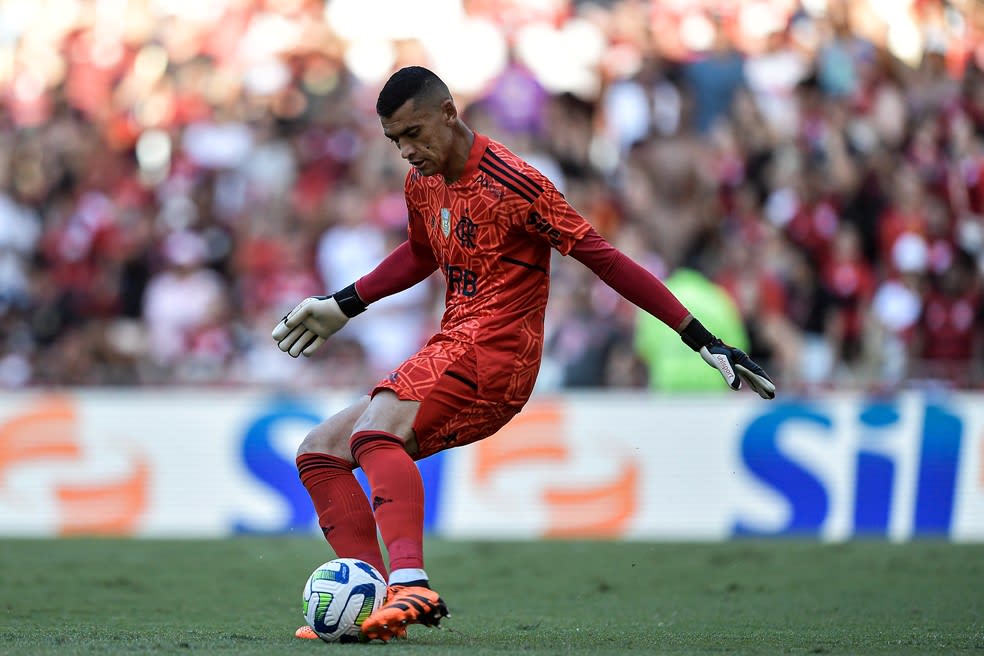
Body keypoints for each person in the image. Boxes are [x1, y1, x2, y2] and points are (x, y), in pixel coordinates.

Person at [273, 66, 776, 643]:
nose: (407, 151)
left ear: (447, 113)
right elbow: (419, 254)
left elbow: (605, 259)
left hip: (499, 356)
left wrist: (699, 336)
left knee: (374, 432)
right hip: (451, 345)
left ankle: (408, 586)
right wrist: (344, 303)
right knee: (319, 453)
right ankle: (377, 617)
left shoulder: (517, 184)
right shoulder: (423, 183)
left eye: (414, 133)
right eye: (395, 141)